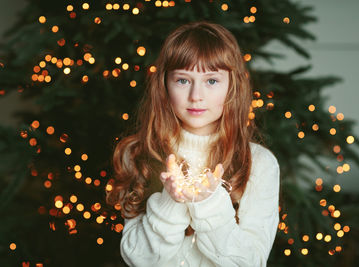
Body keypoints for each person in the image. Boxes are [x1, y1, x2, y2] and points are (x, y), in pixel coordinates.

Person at [107, 21, 280, 267]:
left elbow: (251, 262)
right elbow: (138, 259)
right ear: (165, 84)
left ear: (232, 86)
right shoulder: (140, 154)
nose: (196, 96)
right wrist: (170, 202)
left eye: (211, 81)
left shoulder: (259, 163)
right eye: (183, 80)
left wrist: (208, 204)